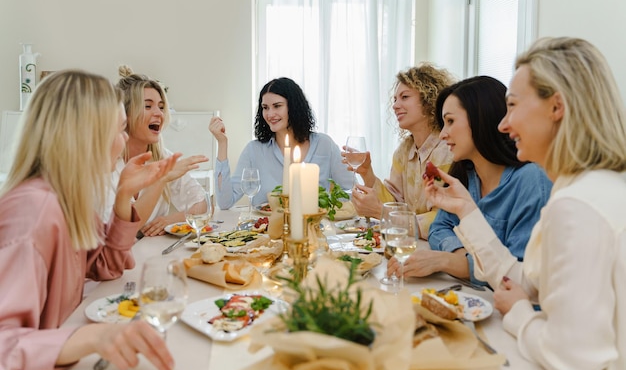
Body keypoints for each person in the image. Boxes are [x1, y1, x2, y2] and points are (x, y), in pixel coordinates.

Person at [424, 37, 626, 370]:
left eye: (513, 106)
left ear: (557, 107)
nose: (504, 124)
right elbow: (526, 280)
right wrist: (466, 210)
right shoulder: (587, 187)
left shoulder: (578, 205)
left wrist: (518, 314)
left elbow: (572, 358)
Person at [0, 70, 179, 370]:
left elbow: (107, 266)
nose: (125, 140)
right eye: (121, 129)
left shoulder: (66, 198)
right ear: (88, 135)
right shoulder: (33, 211)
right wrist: (91, 337)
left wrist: (124, 195)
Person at [392, 76, 551, 285]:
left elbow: (520, 277)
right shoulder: (466, 173)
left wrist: (449, 262)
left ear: (481, 119)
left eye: (450, 121)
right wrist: (463, 256)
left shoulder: (531, 181)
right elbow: (439, 229)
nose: (443, 134)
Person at [209, 77, 352, 210]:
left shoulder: (324, 145)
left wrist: (330, 207)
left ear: (294, 107)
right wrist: (222, 143)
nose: (270, 114)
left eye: (277, 106)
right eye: (265, 107)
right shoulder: (254, 150)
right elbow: (225, 202)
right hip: (266, 231)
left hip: (313, 230)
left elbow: (350, 190)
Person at [347, 63, 455, 238]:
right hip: (408, 245)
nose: (395, 105)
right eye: (395, 99)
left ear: (429, 100)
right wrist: (367, 173)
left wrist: (382, 213)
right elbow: (394, 203)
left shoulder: (447, 149)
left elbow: (442, 219)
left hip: (436, 250)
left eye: (404, 97)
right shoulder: (404, 151)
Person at [112, 66, 209, 236]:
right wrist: (162, 179)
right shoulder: (105, 164)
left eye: (161, 107)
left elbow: (203, 205)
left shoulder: (164, 158)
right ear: (124, 113)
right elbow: (122, 231)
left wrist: (171, 220)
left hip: (153, 253)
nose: (159, 114)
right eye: (148, 106)